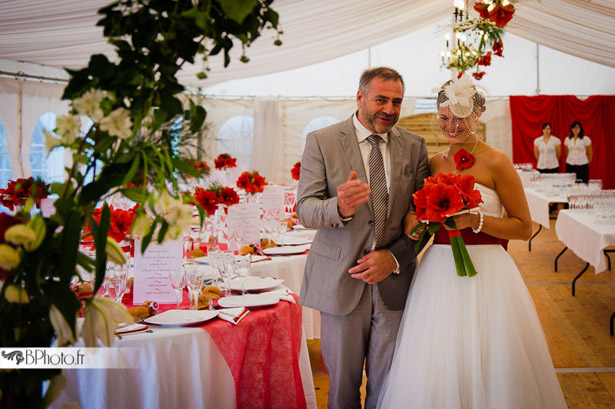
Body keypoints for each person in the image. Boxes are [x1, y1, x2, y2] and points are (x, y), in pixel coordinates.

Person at [378, 74, 567, 409]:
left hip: (488, 271)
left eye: (460, 118)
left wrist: (475, 220)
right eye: (445, 118)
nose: (452, 126)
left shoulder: (497, 161)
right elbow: (422, 215)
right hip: (438, 270)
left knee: (489, 353)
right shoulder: (435, 162)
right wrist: (415, 219)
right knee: (440, 353)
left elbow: (524, 227)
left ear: (477, 115)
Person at [296, 66, 430, 409]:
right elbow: (305, 209)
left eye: (397, 102)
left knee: (389, 383)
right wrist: (338, 208)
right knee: (341, 386)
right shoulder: (322, 141)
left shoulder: (414, 147)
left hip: (394, 283)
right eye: (381, 99)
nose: (390, 109)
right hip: (341, 283)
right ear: (360, 97)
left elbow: (426, 216)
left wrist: (395, 256)